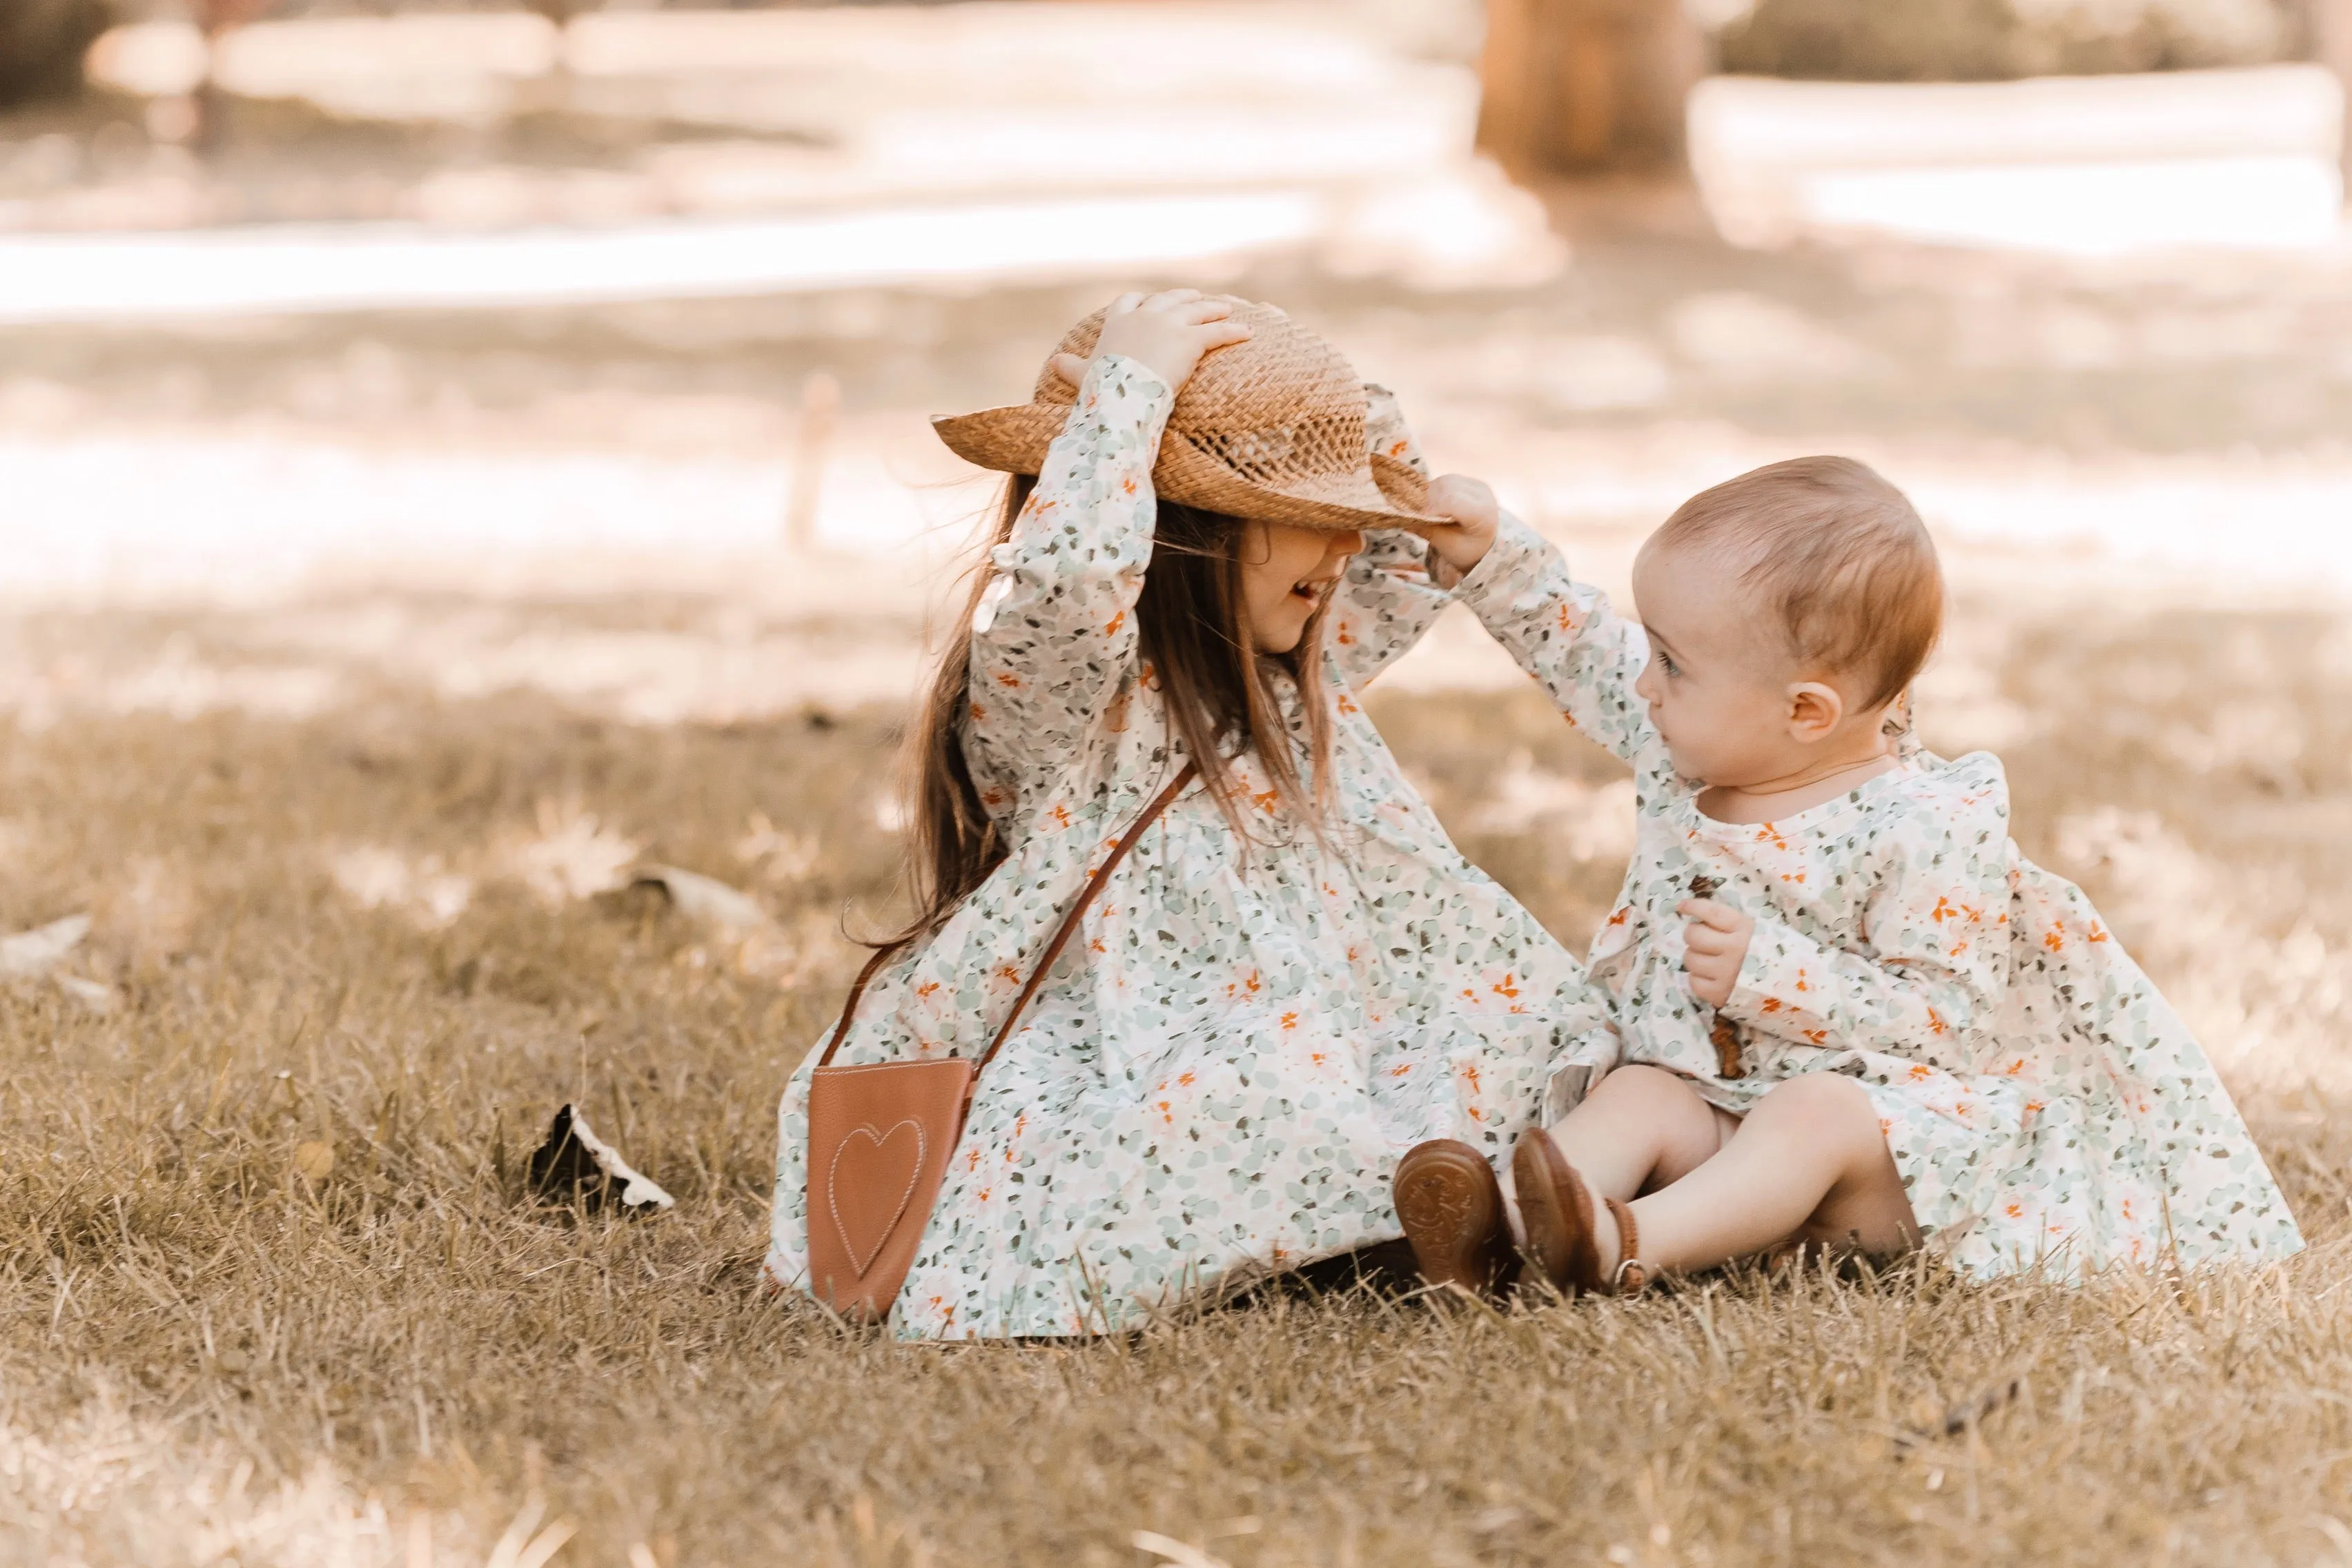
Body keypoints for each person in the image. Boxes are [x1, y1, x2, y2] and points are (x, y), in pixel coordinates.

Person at [764, 290, 1616, 1338]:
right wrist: (1131, 400)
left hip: (1341, 1010)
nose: (1347, 547)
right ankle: (1385, 1227)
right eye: (1310, 519)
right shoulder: (1062, 704)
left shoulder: (1288, 679)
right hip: (1155, 1037)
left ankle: (1448, 1214)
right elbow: (1071, 580)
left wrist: (1345, 415)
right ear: (1180, 524)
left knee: (1528, 1035)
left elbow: (1405, 558)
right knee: (1242, 1096)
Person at [1393, 457, 2304, 1294]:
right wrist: (1492, 555)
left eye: (1668, 661)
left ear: (1805, 710)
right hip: (1723, 1126)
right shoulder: (1694, 747)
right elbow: (1586, 651)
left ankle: (1622, 1243)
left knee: (1815, 1112)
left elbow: (1945, 1019)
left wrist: (1775, 979)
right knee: (1642, 1092)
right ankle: (1501, 1238)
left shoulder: (1923, 827)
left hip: (1872, 1162)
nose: (1645, 685)